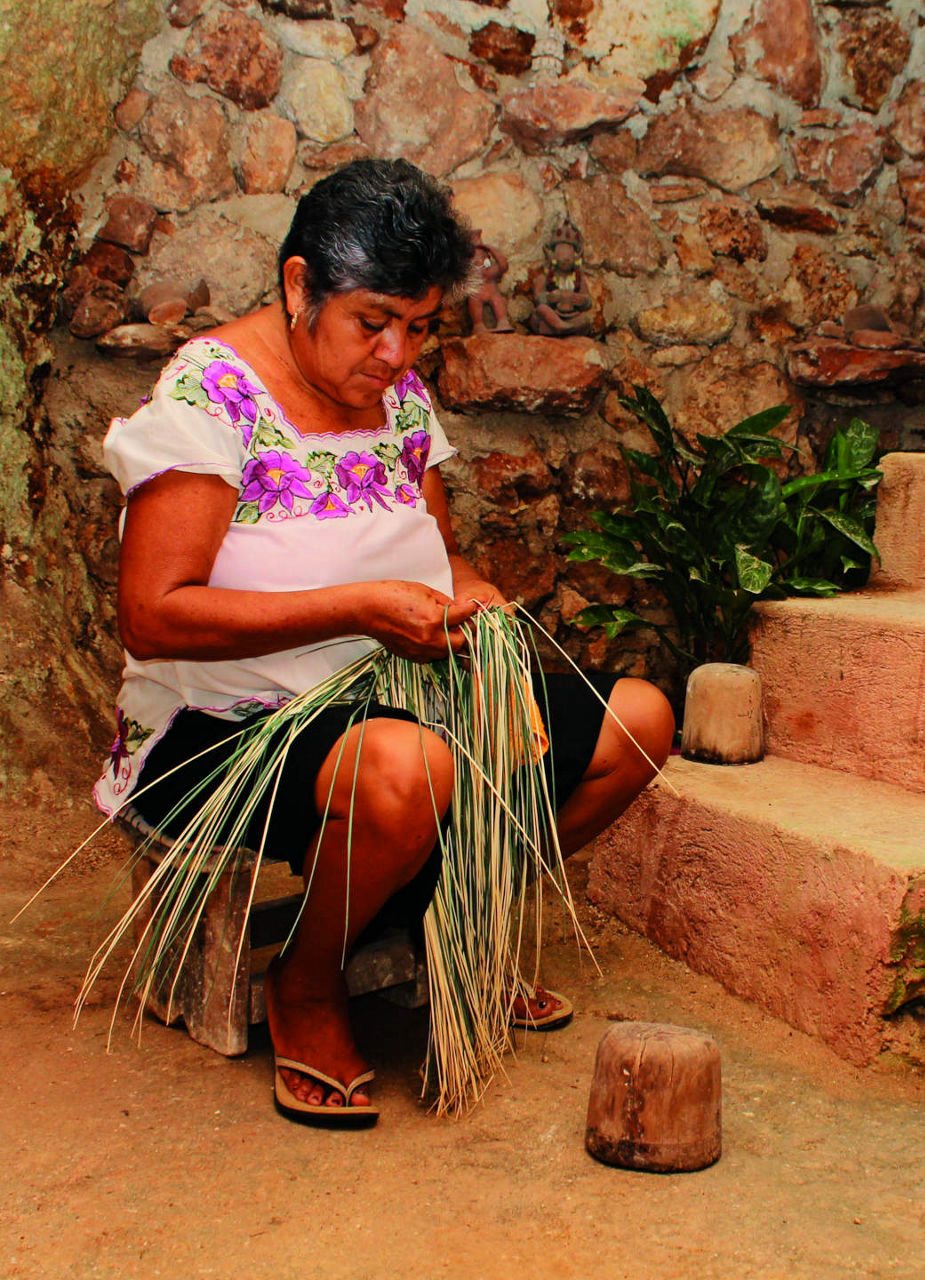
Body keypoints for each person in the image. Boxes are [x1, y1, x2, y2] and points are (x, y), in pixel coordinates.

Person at [95, 159, 673, 1126]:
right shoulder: (209, 397)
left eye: (421, 326)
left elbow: (440, 558)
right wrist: (361, 607)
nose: (398, 354)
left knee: (641, 723)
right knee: (405, 770)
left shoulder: (396, 394)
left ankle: (440, 921)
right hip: (223, 724)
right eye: (373, 322)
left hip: (402, 696)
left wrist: (483, 623)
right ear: (296, 286)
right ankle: (307, 985)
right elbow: (153, 614)